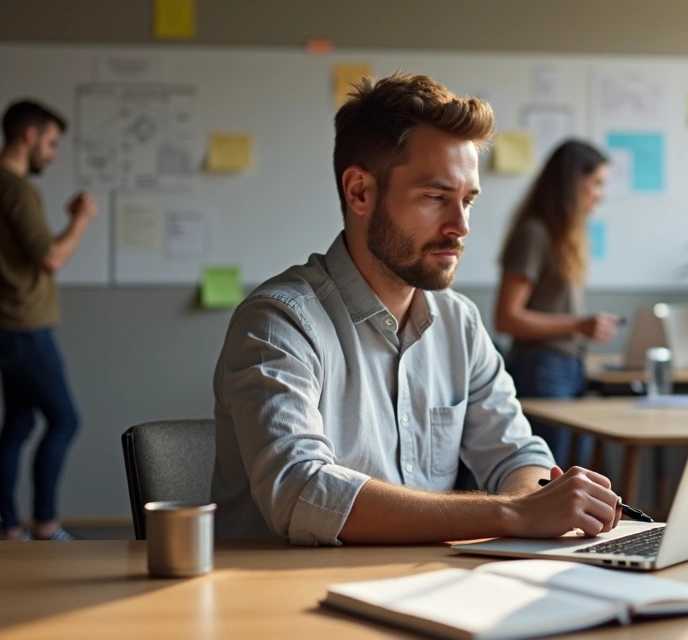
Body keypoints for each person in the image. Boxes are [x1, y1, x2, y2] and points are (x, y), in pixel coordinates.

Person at [210, 73, 622, 545]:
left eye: (467, 201)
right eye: (435, 198)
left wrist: (532, 501)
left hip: (422, 592)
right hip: (284, 602)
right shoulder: (278, 322)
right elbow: (303, 492)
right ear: (360, 192)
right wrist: (512, 514)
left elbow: (518, 455)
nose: (460, 226)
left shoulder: (459, 323)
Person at [0, 100, 97, 541]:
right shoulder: (17, 190)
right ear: (29, 136)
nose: (53, 154)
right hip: (24, 327)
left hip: (10, 326)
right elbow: (51, 258)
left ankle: (8, 528)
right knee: (64, 420)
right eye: (52, 143)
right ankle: (44, 525)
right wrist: (80, 219)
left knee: (18, 425)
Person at [496, 140, 619, 467]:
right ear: (571, 183)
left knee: (566, 472)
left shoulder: (565, 237)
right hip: (541, 369)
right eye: (596, 183)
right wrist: (578, 325)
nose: (600, 194)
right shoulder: (534, 235)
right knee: (548, 475)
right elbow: (506, 317)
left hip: (566, 368)